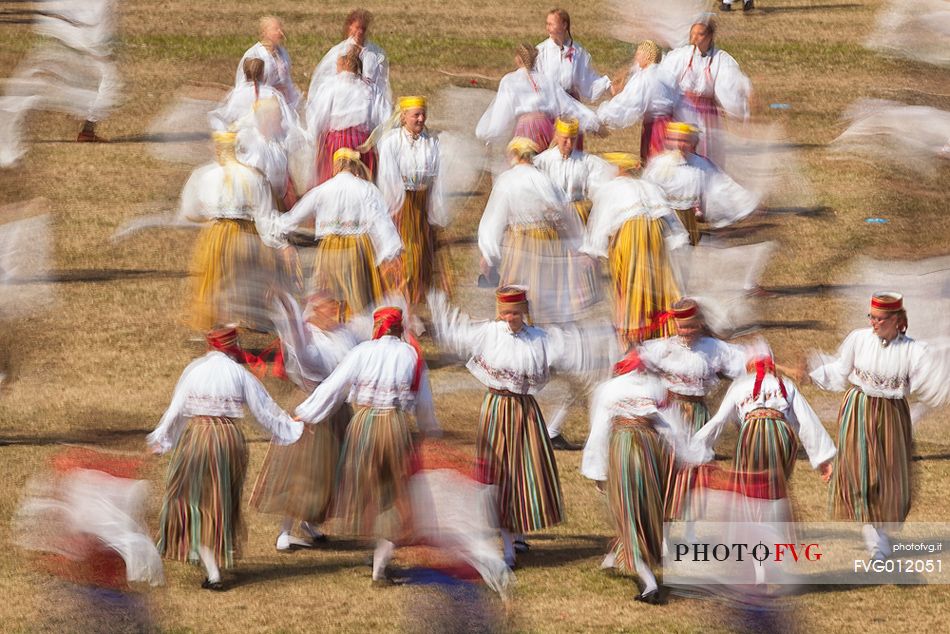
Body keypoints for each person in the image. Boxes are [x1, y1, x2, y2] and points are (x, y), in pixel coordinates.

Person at [427, 287, 594, 568]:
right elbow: (459, 334)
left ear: (524, 312)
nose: (510, 318)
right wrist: (439, 310)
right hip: (497, 410)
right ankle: (507, 544)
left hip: (526, 412)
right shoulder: (491, 333)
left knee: (524, 471)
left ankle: (516, 533)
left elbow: (568, 351)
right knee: (499, 472)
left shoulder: (539, 339)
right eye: (505, 312)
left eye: (515, 313)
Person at [147, 326, 303, 590]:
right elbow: (264, 409)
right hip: (229, 439)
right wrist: (290, 426)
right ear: (232, 347)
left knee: (190, 499)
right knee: (219, 500)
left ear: (210, 346)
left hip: (198, 437)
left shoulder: (194, 371)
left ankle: (211, 566)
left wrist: (162, 439)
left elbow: (177, 409)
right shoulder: (239, 373)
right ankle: (209, 556)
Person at [295, 306, 440, 585]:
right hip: (394, 425)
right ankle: (380, 565)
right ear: (400, 329)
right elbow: (424, 402)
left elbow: (333, 387)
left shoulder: (361, 352)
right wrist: (429, 430)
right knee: (394, 494)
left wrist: (306, 413)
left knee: (370, 491)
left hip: (362, 426)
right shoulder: (411, 355)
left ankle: (377, 554)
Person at [807, 292, 950, 559]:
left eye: (880, 319)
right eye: (871, 317)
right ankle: (875, 541)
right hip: (859, 408)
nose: (874, 323)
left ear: (897, 320)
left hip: (892, 415)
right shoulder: (858, 339)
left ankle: (880, 534)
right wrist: (813, 372)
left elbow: (931, 385)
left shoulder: (913, 350)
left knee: (887, 477)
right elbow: (839, 372)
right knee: (864, 475)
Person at [250, 292, 361, 551]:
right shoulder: (308, 337)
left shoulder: (345, 334)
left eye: (336, 309)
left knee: (328, 470)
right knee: (301, 471)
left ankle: (310, 522)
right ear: (315, 311)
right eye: (328, 309)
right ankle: (284, 532)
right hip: (311, 410)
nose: (334, 314)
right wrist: (287, 309)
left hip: (337, 410)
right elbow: (300, 346)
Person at [581, 349, 680, 603]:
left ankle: (649, 582)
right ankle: (617, 555)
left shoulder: (609, 390)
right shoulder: (656, 386)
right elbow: (670, 425)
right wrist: (684, 455)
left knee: (626, 510)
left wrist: (597, 470)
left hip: (623, 447)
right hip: (650, 448)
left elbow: (600, 429)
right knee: (642, 508)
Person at [692, 347, 835, 514]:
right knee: (775, 485)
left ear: (749, 367)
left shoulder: (740, 384)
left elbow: (719, 420)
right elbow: (806, 421)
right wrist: (822, 459)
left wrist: (693, 448)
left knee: (750, 484)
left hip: (751, 434)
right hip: (780, 434)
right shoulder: (785, 384)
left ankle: (754, 524)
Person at [638, 298, 746, 520]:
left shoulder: (713, 348)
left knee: (694, 471)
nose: (686, 332)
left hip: (698, 415)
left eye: (691, 327)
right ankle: (662, 522)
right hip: (670, 414)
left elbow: (746, 361)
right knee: (667, 467)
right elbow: (636, 365)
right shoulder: (663, 348)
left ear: (700, 325)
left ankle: (690, 525)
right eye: (682, 327)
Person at [276, 148, 402, 318]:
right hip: (358, 250)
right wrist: (389, 253)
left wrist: (278, 233)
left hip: (329, 250)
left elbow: (293, 218)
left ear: (335, 166)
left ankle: (332, 326)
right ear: (356, 167)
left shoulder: (322, 190)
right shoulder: (367, 189)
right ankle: (356, 328)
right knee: (359, 298)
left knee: (329, 295)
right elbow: (381, 221)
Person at [478, 137, 591, 325]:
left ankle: (519, 330)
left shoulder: (508, 180)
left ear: (513, 156)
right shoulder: (546, 180)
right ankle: (545, 330)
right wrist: (577, 245)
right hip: (549, 244)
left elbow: (495, 219)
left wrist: (489, 255)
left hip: (522, 243)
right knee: (546, 292)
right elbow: (564, 213)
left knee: (517, 291)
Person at [580, 153, 688, 348]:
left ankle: (633, 334)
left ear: (619, 170)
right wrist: (678, 239)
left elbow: (601, 218)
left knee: (631, 282)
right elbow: (667, 215)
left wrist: (592, 250)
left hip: (630, 233)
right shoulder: (649, 186)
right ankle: (660, 330)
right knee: (656, 280)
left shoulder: (610, 188)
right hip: (654, 232)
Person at [180, 131, 284, 332]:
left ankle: (219, 317)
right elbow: (265, 214)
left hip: (216, 233)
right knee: (243, 276)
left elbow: (190, 211)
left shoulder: (206, 176)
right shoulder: (254, 176)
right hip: (246, 232)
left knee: (216, 277)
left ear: (219, 150)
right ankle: (243, 316)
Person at [375, 96, 448, 305]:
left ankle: (415, 292)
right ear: (404, 116)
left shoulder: (432, 141)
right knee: (404, 247)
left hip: (422, 198)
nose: (421, 119)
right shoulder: (391, 141)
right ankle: (398, 292)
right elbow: (388, 176)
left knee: (420, 248)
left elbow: (437, 175)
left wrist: (435, 206)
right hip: (402, 200)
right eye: (416, 115)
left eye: (423, 114)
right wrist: (395, 205)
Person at [642, 121, 760, 245]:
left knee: (687, 247)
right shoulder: (659, 164)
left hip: (687, 217)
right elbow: (647, 189)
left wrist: (742, 203)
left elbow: (719, 186)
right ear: (668, 141)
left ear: (693, 143)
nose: (679, 145)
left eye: (685, 141)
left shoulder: (700, 165)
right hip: (664, 216)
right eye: (675, 140)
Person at [476, 43, 601, 150]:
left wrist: (490, 134)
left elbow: (502, 112)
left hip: (526, 128)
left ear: (517, 59)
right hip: (547, 127)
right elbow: (567, 104)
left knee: (524, 165)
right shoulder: (546, 80)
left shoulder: (510, 81)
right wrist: (591, 121)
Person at [660, 20, 751, 163]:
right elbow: (665, 76)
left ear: (710, 37)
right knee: (680, 147)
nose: (695, 38)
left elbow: (729, 84)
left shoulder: (720, 58)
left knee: (707, 151)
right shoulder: (681, 55)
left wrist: (738, 106)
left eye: (700, 34)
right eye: (693, 34)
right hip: (683, 109)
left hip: (707, 113)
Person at [306, 48, 390, 186]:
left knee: (333, 184)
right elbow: (383, 116)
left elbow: (318, 115)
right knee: (362, 184)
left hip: (336, 144)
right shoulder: (369, 87)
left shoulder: (330, 86)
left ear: (341, 66)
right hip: (362, 144)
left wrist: (315, 139)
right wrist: (376, 142)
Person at [597, 40, 682, 162]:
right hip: (671, 126)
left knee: (655, 165)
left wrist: (602, 117)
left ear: (647, 56)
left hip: (656, 128)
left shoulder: (645, 77)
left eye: (638, 54)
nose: (636, 57)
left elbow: (628, 103)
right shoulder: (664, 73)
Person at [533, 117, 616, 224]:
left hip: (577, 219)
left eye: (573, 139)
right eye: (565, 139)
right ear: (557, 136)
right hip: (551, 220)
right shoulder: (542, 161)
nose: (569, 143)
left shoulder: (585, 161)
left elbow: (601, 182)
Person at [308, 9, 391, 113]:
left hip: (370, 105)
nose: (360, 32)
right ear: (350, 26)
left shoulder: (377, 53)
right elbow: (325, 79)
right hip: (345, 104)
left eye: (363, 28)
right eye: (357, 27)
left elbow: (382, 82)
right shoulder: (339, 51)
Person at [535, 8, 611, 103]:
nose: (547, 28)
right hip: (548, 104)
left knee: (591, 118)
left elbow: (587, 77)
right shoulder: (540, 51)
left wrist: (608, 86)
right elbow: (532, 78)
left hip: (570, 105)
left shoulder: (577, 51)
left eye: (551, 24)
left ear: (564, 25)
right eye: (547, 24)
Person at [234, 16, 301, 110]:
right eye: (275, 29)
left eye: (280, 28)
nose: (280, 32)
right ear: (264, 32)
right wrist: (271, 93)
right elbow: (247, 86)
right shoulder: (255, 54)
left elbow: (286, 79)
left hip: (280, 104)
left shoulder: (282, 53)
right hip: (261, 106)